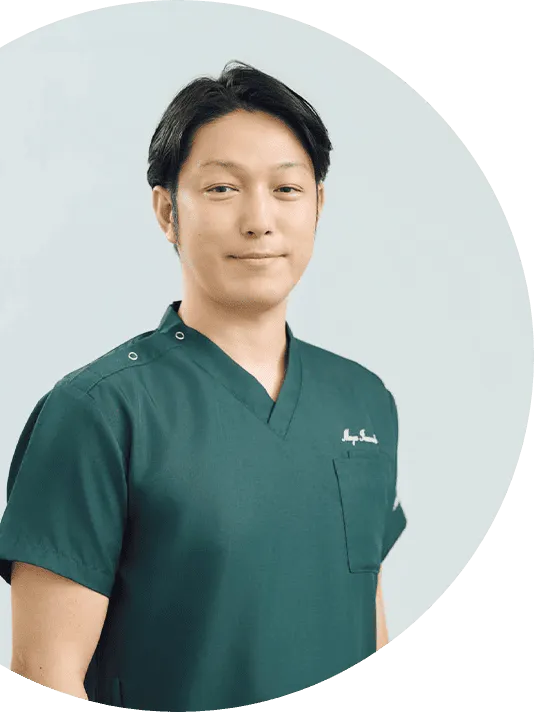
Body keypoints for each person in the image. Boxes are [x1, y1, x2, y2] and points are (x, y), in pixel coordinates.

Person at [0, 60, 407, 711]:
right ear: (168, 212)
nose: (259, 220)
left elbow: (364, 617)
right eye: (222, 189)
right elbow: (45, 673)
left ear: (318, 206)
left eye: (287, 189)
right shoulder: (100, 413)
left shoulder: (362, 400)